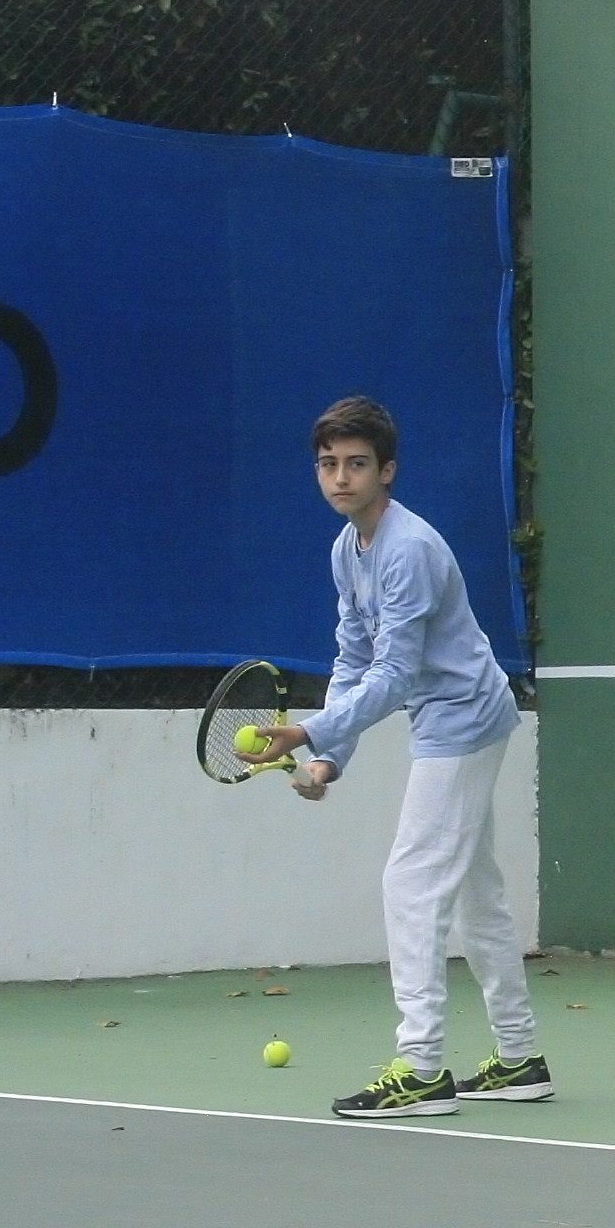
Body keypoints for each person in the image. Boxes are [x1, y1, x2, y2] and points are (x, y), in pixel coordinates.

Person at [243, 396, 550, 1119]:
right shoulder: (346, 550)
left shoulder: (408, 549)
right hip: (453, 714)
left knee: (411, 884)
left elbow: (393, 673)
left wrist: (310, 733)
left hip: (463, 718)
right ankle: (520, 1059)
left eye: (356, 464)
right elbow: (353, 660)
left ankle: (420, 1068)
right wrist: (329, 757)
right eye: (328, 464)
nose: (340, 478)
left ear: (387, 470)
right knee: (476, 895)